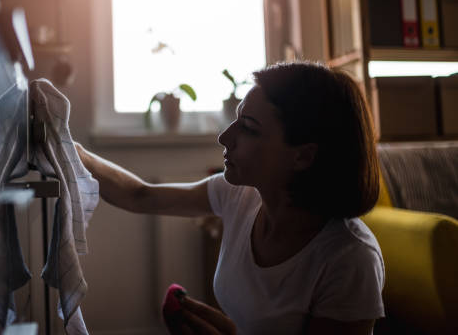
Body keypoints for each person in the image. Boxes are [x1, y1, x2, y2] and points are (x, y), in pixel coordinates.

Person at [74, 62, 384, 334]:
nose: (225, 137)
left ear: (303, 156)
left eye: (248, 128)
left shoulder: (349, 260)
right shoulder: (239, 195)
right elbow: (140, 196)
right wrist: (76, 153)